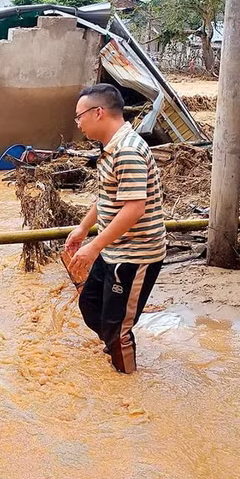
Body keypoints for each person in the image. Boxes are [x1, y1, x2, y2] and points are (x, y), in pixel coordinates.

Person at [65, 84, 166, 374]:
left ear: (98, 112)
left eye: (79, 116)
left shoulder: (127, 151)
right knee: (90, 304)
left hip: (136, 253)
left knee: (117, 327)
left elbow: (134, 209)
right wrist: (83, 228)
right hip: (114, 247)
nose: (78, 123)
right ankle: (115, 347)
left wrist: (94, 246)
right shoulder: (110, 148)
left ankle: (127, 382)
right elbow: (107, 196)